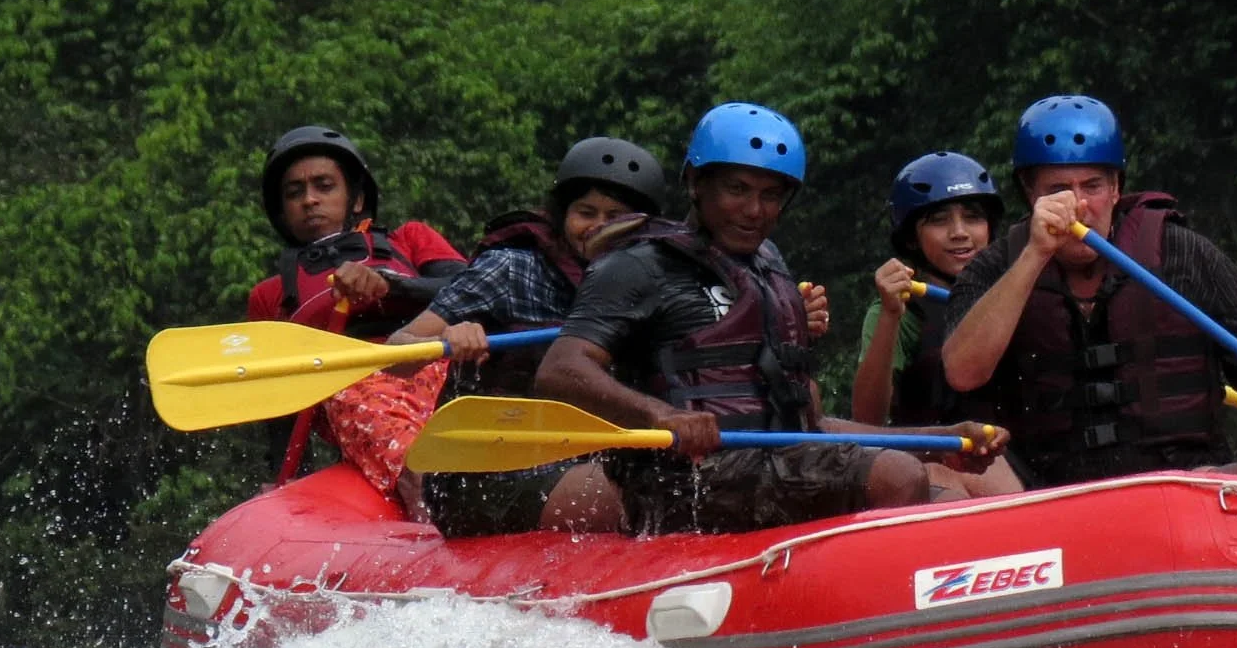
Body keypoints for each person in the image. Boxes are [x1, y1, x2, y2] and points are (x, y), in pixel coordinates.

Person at [532, 103, 1007, 535]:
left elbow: (806, 425)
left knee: (942, 498)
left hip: (767, 464)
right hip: (680, 479)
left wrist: (937, 439)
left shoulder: (768, 265)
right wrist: (661, 415)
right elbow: (559, 369)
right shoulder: (637, 265)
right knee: (895, 476)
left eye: (771, 194)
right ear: (695, 183)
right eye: (736, 189)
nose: (754, 210)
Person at [940, 95, 1237, 486]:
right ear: (1031, 194)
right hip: (1051, 495)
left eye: (1092, 186)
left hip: (1183, 485)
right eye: (1059, 190)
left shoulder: (1184, 254)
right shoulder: (994, 268)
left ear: (1116, 188)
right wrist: (1035, 255)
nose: (1079, 206)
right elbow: (963, 373)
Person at [385, 137, 667, 537]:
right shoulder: (510, 269)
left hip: (592, 461)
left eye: (615, 216)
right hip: (482, 478)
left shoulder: (653, 285)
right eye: (585, 212)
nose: (598, 227)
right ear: (562, 215)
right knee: (645, 491)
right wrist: (448, 337)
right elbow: (396, 356)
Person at [244, 126, 466, 506]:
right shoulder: (269, 297)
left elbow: (473, 290)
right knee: (356, 393)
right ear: (282, 211)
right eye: (295, 193)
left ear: (357, 198)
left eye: (324, 186)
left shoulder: (410, 240)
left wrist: (390, 285)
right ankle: (432, 493)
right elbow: (280, 406)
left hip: (436, 362)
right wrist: (289, 479)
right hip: (349, 386)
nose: (309, 200)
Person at [851, 152, 1021, 497]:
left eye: (973, 217)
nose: (959, 233)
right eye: (939, 221)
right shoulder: (899, 309)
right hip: (940, 464)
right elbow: (867, 421)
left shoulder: (1018, 287)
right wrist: (890, 316)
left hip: (1020, 456)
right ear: (912, 238)